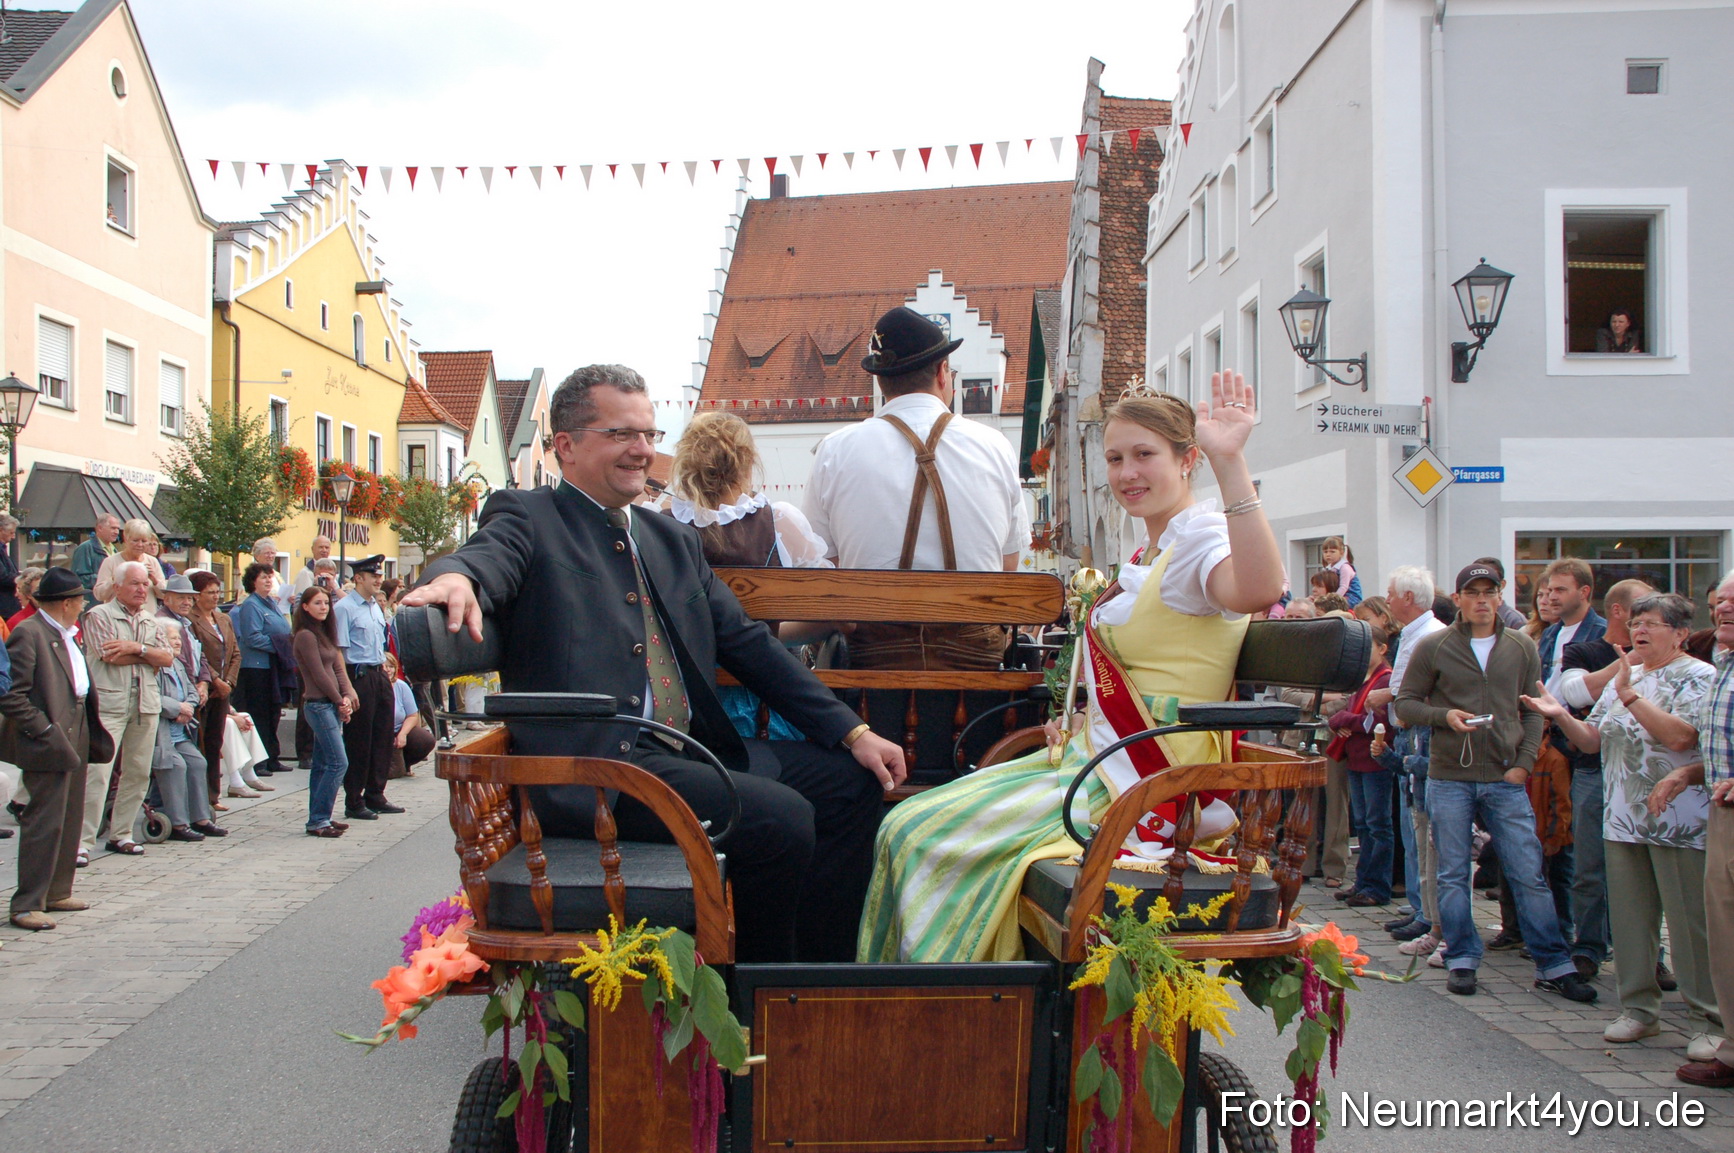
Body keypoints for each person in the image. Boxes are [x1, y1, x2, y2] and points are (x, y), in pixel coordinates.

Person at [405, 363, 906, 964]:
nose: (642, 450)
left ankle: (824, 973)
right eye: (621, 434)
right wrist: (455, 576)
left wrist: (853, 732)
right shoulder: (530, 515)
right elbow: (489, 553)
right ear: (566, 446)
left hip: (684, 752)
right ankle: (760, 993)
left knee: (852, 783)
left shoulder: (671, 539)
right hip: (597, 774)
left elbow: (749, 645)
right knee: (782, 819)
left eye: (648, 433)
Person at [859, 371, 1284, 963]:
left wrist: (1232, 462)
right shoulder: (1150, 552)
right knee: (906, 822)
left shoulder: (1198, 541)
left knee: (916, 831)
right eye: (1115, 458)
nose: (1127, 472)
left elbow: (1260, 587)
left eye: (1144, 455)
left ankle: (957, 998)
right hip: (1099, 760)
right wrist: (1080, 719)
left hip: (1146, 786)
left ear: (1188, 460)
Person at [1524, 594, 1720, 1057]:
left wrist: (1630, 694)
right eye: (1635, 624)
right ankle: (1637, 1009)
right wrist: (1560, 717)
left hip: (1678, 819)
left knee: (1689, 922)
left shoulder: (1698, 676)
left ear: (1679, 632)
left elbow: (1680, 736)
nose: (1640, 632)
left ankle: (1705, 1017)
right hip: (1623, 816)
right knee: (1631, 919)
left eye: (1652, 624)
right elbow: (1593, 741)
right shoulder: (1625, 676)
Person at [1394, 562, 1597, 1002]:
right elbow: (1405, 704)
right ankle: (1462, 957)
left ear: (1500, 596)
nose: (1482, 600)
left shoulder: (1522, 646)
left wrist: (1523, 762)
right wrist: (1443, 717)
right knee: (1452, 872)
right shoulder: (1435, 646)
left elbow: (1531, 707)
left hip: (1505, 776)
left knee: (1528, 871)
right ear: (1461, 599)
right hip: (1450, 774)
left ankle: (1553, 962)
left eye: (1490, 591)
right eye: (1473, 592)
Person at [804, 307, 1029, 670]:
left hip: (873, 672)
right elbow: (1007, 564)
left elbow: (826, 566)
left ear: (881, 381)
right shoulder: (995, 445)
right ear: (943, 372)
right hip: (975, 673)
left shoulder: (835, 449)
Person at [663, 411, 833, 740]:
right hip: (767, 702)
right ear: (748, 462)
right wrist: (766, 635)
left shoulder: (662, 524)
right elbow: (828, 612)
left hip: (687, 705)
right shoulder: (780, 520)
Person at [3, 569, 112, 930]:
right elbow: (13, 695)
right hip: (49, 734)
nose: (83, 605)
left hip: (76, 725)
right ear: (66, 603)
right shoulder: (29, 633)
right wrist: (44, 730)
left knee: (70, 816)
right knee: (44, 821)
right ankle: (26, 902)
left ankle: (56, 891)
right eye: (80, 599)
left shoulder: (67, 633)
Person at [1555, 578, 1653, 979]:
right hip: (1594, 772)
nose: (1647, 624)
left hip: (1645, 776)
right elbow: (1575, 694)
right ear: (1621, 612)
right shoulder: (1585, 649)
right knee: (1590, 867)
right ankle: (1590, 945)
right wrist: (1627, 663)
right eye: (1642, 614)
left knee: (1644, 872)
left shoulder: (1670, 660)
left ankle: (1651, 956)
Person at [1675, 571, 1734, 1088]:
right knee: (1725, 933)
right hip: (1722, 810)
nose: (1724, 610)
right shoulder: (1724, 663)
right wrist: (1690, 773)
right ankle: (1733, 1050)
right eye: (1719, 602)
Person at [1372, 566, 1448, 953]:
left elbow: (1417, 688)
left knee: (1422, 827)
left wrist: (1387, 697)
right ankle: (1421, 908)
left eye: (1391, 593)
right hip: (1406, 734)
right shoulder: (1413, 634)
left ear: (1408, 598)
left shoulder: (1431, 635)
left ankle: (1430, 915)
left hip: (1420, 738)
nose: (1386, 599)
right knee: (1412, 827)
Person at [80, 561, 175, 858]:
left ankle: (121, 834)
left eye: (145, 583)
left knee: (137, 773)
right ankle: (81, 841)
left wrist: (136, 649)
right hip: (110, 703)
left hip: (145, 703)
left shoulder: (150, 619)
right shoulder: (99, 615)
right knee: (97, 774)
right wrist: (148, 655)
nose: (142, 589)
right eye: (135, 583)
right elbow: (109, 656)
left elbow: (168, 658)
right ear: (117, 586)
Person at [1329, 627, 1394, 906]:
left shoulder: (1384, 680)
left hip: (1374, 760)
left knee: (1378, 824)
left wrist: (1345, 719)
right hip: (1357, 759)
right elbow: (1344, 717)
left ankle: (1377, 886)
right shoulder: (1362, 680)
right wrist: (1343, 720)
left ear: (1382, 649)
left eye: (1370, 646)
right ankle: (1363, 881)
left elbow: (1373, 722)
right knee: (1364, 825)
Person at [333, 555, 398, 820]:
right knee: (360, 739)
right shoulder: (344, 608)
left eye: (380, 576)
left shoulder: (374, 607)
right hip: (358, 674)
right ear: (358, 578)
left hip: (378, 671)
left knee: (382, 735)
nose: (378, 581)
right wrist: (347, 688)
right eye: (373, 576)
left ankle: (376, 793)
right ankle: (354, 799)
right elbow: (339, 650)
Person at [151, 621, 224, 842]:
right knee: (176, 765)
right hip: (161, 732)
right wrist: (177, 708)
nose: (177, 641)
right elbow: (152, 697)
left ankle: (200, 818)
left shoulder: (179, 665)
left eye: (178, 637)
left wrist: (189, 706)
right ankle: (177, 823)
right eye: (172, 637)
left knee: (198, 762)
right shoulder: (154, 667)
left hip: (181, 730)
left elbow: (192, 691)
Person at [293, 586, 356, 838]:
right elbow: (318, 674)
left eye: (326, 603)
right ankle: (318, 819)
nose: (323, 608)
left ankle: (320, 817)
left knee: (322, 764)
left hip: (330, 703)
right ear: (305, 607)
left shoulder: (323, 633)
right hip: (318, 704)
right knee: (338, 762)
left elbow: (338, 668)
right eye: (317, 603)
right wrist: (339, 700)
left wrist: (348, 696)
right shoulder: (305, 635)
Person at [187, 571, 243, 804]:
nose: (215, 597)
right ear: (197, 595)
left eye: (218, 592)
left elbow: (236, 653)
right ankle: (198, 797)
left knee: (214, 742)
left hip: (223, 691)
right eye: (210, 593)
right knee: (199, 742)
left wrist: (228, 681)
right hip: (204, 689)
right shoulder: (191, 620)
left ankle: (213, 794)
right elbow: (196, 655)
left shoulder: (223, 619)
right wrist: (215, 680)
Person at [232, 562, 292, 776]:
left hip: (273, 667)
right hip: (256, 668)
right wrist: (281, 646)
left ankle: (272, 756)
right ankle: (258, 762)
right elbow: (252, 637)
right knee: (259, 713)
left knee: (273, 712)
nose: (268, 580)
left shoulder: (271, 603)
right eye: (263, 577)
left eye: (270, 576)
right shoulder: (251, 605)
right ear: (252, 582)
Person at [92, 519, 167, 611]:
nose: (139, 544)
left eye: (144, 541)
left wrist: (154, 579)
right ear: (126, 538)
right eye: (135, 540)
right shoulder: (110, 562)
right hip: (117, 619)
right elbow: (99, 595)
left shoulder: (152, 561)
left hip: (146, 619)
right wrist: (115, 577)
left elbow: (165, 596)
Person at [383, 651, 435, 776]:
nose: (388, 670)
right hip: (381, 734)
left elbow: (412, 715)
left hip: (398, 728)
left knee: (425, 739)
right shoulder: (373, 687)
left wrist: (402, 734)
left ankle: (405, 763)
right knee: (393, 773)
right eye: (384, 667)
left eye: (391, 666)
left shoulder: (401, 686)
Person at [72, 515, 121, 606]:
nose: (117, 532)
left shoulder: (115, 550)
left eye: (118, 529)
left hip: (112, 604)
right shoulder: (85, 548)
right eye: (113, 528)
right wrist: (108, 579)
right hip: (93, 604)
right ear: (99, 528)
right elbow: (80, 579)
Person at [250, 538, 294, 615]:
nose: (270, 556)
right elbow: (245, 600)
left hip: (280, 614)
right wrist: (268, 600)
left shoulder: (276, 574)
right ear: (257, 556)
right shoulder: (252, 575)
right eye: (267, 553)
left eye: (273, 553)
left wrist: (290, 599)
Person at [1319, 536, 1362, 607]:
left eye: (1332, 552)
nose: (1328, 554)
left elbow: (1343, 587)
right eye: (1325, 552)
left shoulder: (1344, 567)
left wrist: (1332, 600)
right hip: (1335, 596)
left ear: (1341, 553)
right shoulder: (1327, 569)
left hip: (1350, 597)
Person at [0, 513, 21, 620]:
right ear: (1, 530)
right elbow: (2, 577)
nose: (13, 537)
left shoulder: (3, 549)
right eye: (11, 533)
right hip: (4, 607)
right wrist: (21, 579)